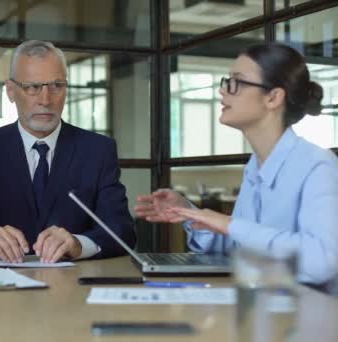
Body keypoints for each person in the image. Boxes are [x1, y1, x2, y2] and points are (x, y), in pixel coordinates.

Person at [135, 43, 338, 289]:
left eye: (236, 83)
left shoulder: (319, 165)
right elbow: (238, 246)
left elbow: (323, 262)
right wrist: (189, 213)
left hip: (310, 315)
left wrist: (230, 224)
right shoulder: (256, 167)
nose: (223, 92)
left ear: (273, 97)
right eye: (226, 81)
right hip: (261, 306)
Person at [0, 40, 135, 264]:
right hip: (2, 288)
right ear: (11, 91)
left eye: (56, 86)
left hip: (73, 287)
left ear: (66, 89)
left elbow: (122, 231)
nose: (45, 100)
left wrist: (79, 244)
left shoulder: (98, 150)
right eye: (33, 87)